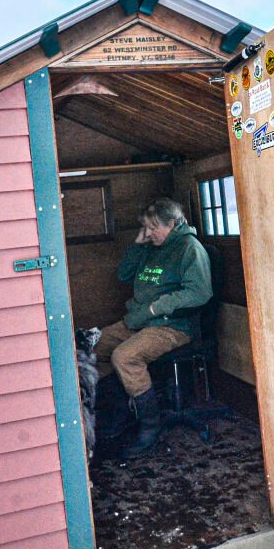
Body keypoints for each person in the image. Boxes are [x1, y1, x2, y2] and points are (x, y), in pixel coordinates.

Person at [94, 197, 213, 460]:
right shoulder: (151, 246)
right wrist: (139, 243)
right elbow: (123, 275)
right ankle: (119, 414)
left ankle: (150, 424)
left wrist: (155, 308)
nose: (148, 233)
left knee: (124, 356)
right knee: (95, 348)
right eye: (144, 228)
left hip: (172, 326)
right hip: (139, 320)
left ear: (172, 223)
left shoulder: (188, 248)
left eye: (153, 228)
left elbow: (200, 292)